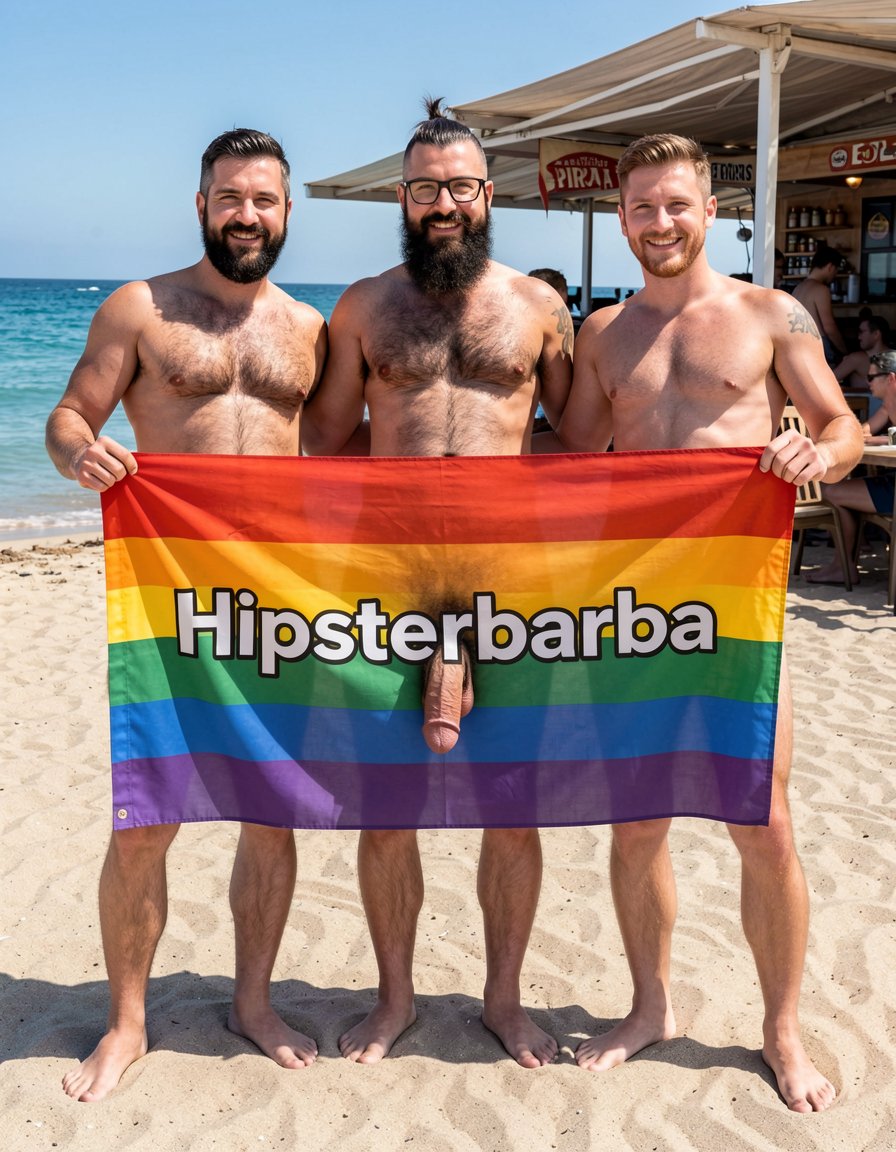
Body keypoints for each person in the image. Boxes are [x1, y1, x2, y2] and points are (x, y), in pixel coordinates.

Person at [556, 133, 862, 1113]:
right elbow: (557, 462)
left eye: (675, 204)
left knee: (762, 824)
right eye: (641, 207)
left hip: (733, 605)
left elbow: (840, 425)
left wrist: (818, 456)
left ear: (708, 208)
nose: (658, 222)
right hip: (630, 608)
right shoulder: (600, 336)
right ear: (621, 220)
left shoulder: (768, 315)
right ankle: (649, 1006)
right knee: (634, 821)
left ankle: (780, 1031)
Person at [45, 129, 327, 1101]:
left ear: (288, 213)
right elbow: (68, 417)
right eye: (230, 197)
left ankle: (251, 1002)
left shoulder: (309, 327)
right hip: (169, 603)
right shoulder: (140, 308)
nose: (247, 214)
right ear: (200, 202)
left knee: (272, 820)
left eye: (265, 200)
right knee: (143, 825)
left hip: (281, 610)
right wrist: (80, 453)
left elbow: (347, 467)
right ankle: (126, 1022)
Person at [301, 99, 572, 1069]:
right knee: (384, 808)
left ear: (486, 196)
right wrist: (186, 483)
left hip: (510, 591)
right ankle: (393, 999)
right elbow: (322, 438)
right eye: (423, 188)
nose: (441, 203)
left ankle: (502, 1000)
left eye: (458, 186)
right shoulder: (363, 306)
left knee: (512, 805)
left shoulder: (537, 309)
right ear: (402, 197)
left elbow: (586, 440)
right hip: (391, 588)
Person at [808, 349, 896, 585]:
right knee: (840, 490)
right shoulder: (888, 407)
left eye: (872, 377)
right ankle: (849, 558)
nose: (867, 383)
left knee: (833, 492)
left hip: (893, 488)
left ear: (891, 379)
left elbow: (869, 437)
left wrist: (879, 439)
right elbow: (861, 433)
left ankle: (843, 565)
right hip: (889, 482)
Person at [792, 245, 848, 368]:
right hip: (818, 346)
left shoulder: (798, 288)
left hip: (796, 345)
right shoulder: (821, 289)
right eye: (836, 270)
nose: (835, 275)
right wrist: (845, 351)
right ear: (830, 267)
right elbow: (829, 327)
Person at [834, 314, 892, 391]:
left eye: (862, 332)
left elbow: (826, 380)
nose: (859, 337)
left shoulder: (856, 359)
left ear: (876, 334)